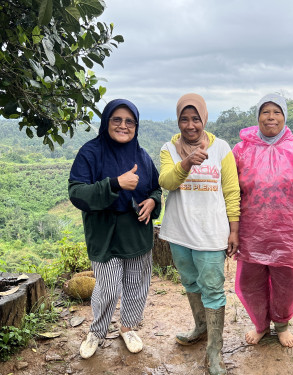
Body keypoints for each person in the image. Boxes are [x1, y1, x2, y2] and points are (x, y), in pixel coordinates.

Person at [68, 99, 162, 359]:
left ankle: (128, 327)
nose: (123, 126)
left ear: (136, 126)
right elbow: (77, 193)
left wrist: (153, 200)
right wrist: (114, 183)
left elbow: (155, 187)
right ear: (107, 122)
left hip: (137, 232)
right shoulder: (91, 153)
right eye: (117, 120)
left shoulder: (141, 155)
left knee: (136, 284)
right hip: (105, 234)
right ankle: (97, 332)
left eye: (129, 121)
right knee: (107, 287)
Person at [232, 93, 293, 348]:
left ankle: (281, 324)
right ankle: (261, 324)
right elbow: (230, 193)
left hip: (289, 233)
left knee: (286, 282)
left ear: (284, 117)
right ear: (258, 116)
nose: (271, 117)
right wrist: (233, 232)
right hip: (251, 232)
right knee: (249, 281)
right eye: (265, 112)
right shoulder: (241, 150)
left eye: (277, 112)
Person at [159, 93, 240, 375]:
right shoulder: (168, 149)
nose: (190, 125)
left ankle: (215, 351)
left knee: (213, 290)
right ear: (178, 120)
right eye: (184, 119)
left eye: (195, 118)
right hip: (180, 233)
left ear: (204, 119)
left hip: (211, 234)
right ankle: (201, 327)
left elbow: (231, 192)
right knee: (191, 282)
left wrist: (235, 230)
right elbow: (166, 181)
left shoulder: (222, 149)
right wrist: (186, 162)